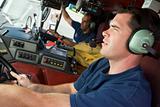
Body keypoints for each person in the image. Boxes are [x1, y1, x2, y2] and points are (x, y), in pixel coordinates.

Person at [0, 7, 160, 107]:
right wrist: (34, 88)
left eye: (115, 28)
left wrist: (27, 95)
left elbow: (40, 103)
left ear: (139, 43)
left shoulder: (125, 96)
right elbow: (72, 89)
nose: (104, 32)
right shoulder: (104, 64)